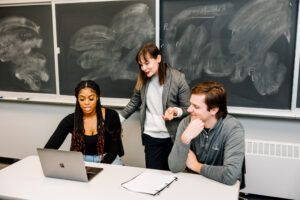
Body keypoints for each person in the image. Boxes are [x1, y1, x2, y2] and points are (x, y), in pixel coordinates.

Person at [119, 43, 190, 170]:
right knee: (153, 175)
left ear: (158, 58)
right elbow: (134, 102)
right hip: (151, 136)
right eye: (141, 65)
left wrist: (175, 111)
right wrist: (117, 121)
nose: (143, 68)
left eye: (147, 63)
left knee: (172, 175)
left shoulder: (178, 78)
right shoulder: (143, 79)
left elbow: (188, 108)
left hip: (172, 137)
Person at [168, 81, 245, 185]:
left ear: (213, 110)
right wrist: (184, 139)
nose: (189, 109)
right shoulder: (186, 123)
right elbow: (174, 167)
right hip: (193, 183)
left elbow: (230, 175)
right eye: (190, 104)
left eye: (196, 106)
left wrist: (196, 166)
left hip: (219, 185)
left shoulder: (233, 128)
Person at [45, 80, 124, 165]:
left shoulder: (111, 116)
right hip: (80, 159)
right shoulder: (70, 120)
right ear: (78, 99)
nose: (86, 103)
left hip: (108, 157)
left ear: (97, 97)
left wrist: (101, 166)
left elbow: (114, 148)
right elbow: (49, 149)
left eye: (91, 99)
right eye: (82, 99)